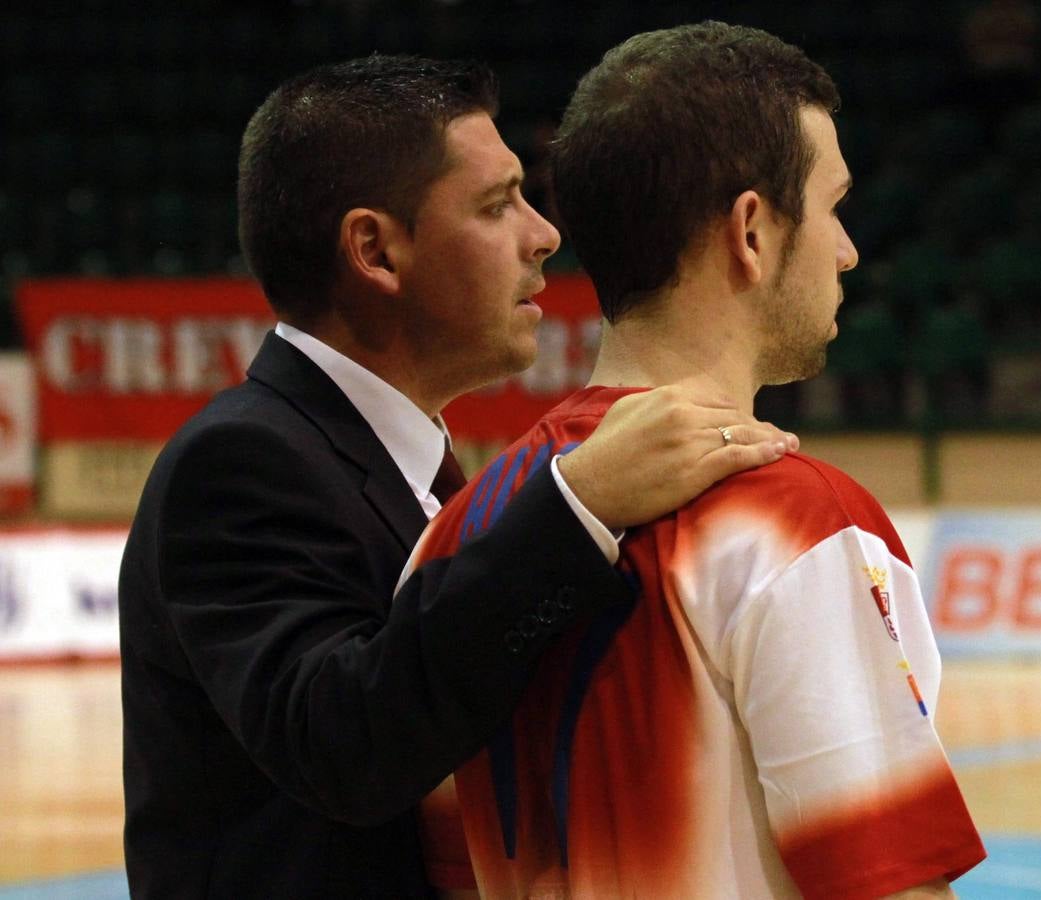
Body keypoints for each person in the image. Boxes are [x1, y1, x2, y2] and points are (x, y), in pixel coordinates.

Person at [117, 55, 796, 899]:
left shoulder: (393, 458)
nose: (543, 234)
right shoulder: (239, 462)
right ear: (375, 249)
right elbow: (344, 747)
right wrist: (575, 506)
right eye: (495, 203)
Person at [409, 24, 987, 899]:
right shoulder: (794, 522)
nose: (847, 251)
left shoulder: (455, 534)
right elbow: (889, 885)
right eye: (832, 208)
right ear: (750, 232)